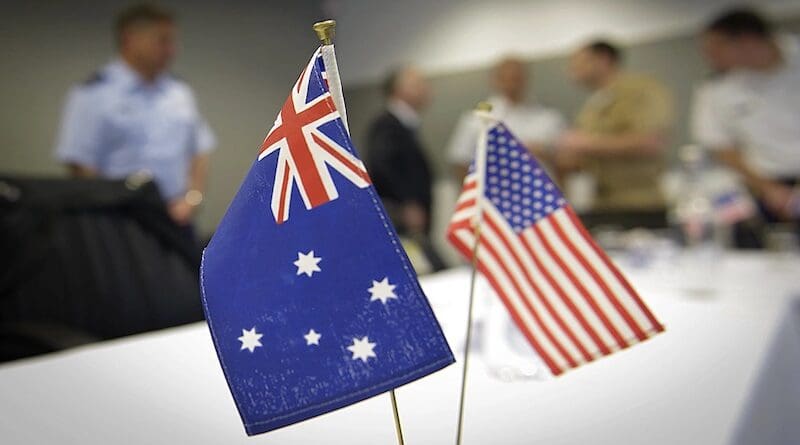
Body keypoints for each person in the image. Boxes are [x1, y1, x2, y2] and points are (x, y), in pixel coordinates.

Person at [54, 3, 216, 228]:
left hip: (175, 218)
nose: (172, 50)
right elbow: (81, 165)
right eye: (163, 41)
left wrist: (192, 200)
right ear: (130, 38)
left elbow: (200, 150)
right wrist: (111, 210)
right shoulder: (93, 94)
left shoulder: (180, 93)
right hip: (119, 222)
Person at [694, 8, 800, 245]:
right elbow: (720, 146)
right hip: (769, 188)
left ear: (747, 41)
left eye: (715, 49)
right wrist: (770, 189)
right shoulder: (717, 89)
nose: (708, 56)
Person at [557, 40, 674, 217]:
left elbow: (651, 142)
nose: (572, 69)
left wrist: (586, 144)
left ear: (603, 60)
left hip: (640, 204)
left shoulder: (641, 90)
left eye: (580, 62)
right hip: (602, 203)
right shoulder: (591, 107)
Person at [364, 66, 444, 271]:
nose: (426, 90)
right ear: (399, 90)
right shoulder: (386, 125)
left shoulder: (405, 125)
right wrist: (406, 202)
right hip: (402, 220)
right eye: (418, 84)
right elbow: (381, 164)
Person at [447, 56, 565, 183]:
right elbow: (461, 162)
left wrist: (544, 152)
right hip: (494, 196)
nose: (511, 83)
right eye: (505, 77)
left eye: (516, 77)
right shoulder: (475, 121)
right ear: (494, 80)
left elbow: (565, 165)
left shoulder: (549, 119)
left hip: (542, 195)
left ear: (526, 79)